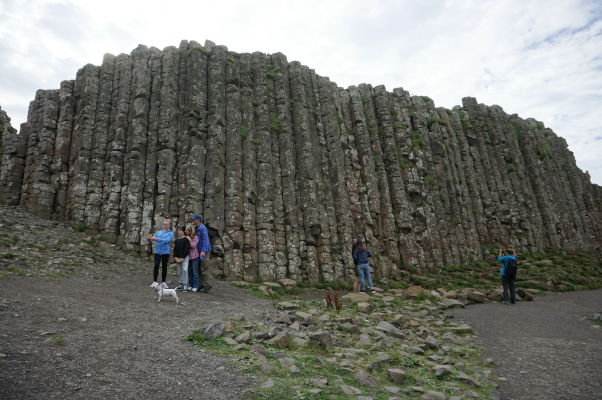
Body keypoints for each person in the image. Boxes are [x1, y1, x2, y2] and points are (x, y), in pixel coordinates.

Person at [148, 219, 174, 289]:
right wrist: (149, 238)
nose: (165, 226)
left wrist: (156, 239)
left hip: (165, 252)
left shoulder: (171, 233)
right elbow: (151, 239)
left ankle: (163, 282)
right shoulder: (158, 232)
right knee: (156, 265)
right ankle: (154, 281)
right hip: (157, 251)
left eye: (167, 224)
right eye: (164, 224)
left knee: (164, 267)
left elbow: (167, 241)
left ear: (170, 225)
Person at [191, 213, 212, 293]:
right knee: (200, 268)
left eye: (194, 219)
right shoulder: (197, 228)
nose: (193, 220)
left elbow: (205, 241)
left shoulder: (203, 229)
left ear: (198, 220)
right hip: (199, 251)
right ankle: (201, 284)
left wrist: (203, 251)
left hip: (204, 251)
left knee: (204, 268)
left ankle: (207, 285)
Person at [173, 226, 191, 291]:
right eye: (178, 231)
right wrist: (175, 257)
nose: (179, 232)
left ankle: (185, 284)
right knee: (179, 271)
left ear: (183, 231)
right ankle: (181, 284)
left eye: (180, 230)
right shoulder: (177, 240)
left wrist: (183, 257)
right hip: (178, 258)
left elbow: (187, 249)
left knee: (184, 270)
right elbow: (175, 249)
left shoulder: (186, 239)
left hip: (185, 257)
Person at [186, 224, 200, 292]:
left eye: (188, 230)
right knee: (189, 272)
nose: (186, 232)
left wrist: (189, 240)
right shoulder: (186, 237)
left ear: (191, 231)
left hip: (195, 257)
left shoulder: (196, 237)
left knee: (195, 272)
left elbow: (193, 246)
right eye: (186, 230)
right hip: (188, 257)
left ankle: (195, 286)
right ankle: (190, 285)